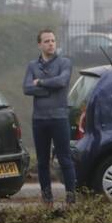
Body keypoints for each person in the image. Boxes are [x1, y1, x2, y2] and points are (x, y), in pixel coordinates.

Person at [23, 29, 76, 206]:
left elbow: (62, 81)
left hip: (59, 117)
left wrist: (41, 83)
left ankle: (71, 198)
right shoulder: (32, 66)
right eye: (46, 41)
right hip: (39, 119)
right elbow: (27, 88)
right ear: (39, 44)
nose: (51, 44)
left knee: (65, 158)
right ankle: (47, 198)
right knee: (42, 161)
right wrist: (48, 89)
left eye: (53, 40)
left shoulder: (64, 62)